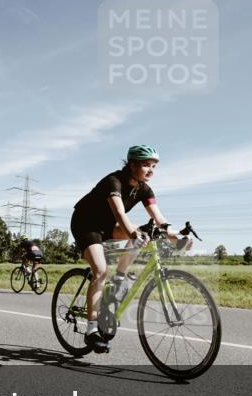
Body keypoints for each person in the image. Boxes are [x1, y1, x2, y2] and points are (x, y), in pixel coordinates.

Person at [70, 145, 186, 353]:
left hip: (107, 226)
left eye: (153, 166)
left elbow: (160, 220)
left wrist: (177, 239)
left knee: (144, 233)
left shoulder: (144, 189)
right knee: (100, 270)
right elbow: (120, 214)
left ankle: (118, 281)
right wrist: (133, 234)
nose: (151, 170)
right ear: (132, 165)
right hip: (86, 223)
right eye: (146, 165)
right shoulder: (113, 181)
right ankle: (91, 330)